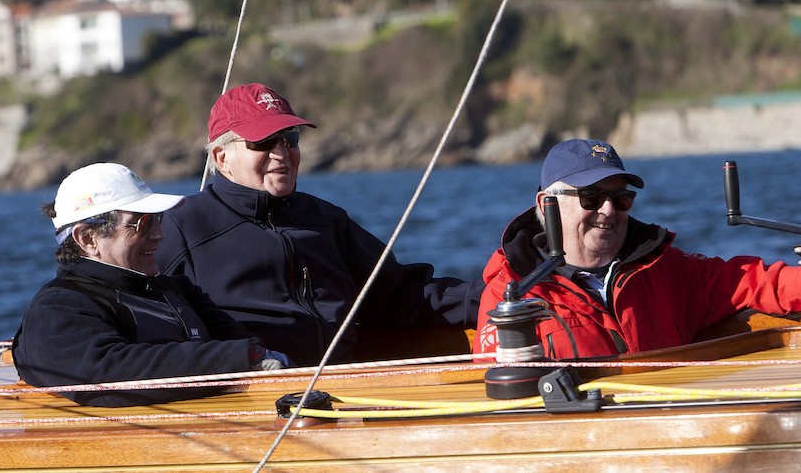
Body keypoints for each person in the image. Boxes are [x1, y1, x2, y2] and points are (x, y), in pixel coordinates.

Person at [155, 83, 484, 365]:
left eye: (289, 138)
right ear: (221, 157)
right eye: (263, 142)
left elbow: (400, 295)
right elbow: (147, 320)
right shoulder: (181, 227)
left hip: (348, 385)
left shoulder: (325, 219)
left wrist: (494, 296)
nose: (282, 153)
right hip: (258, 397)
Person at [474, 138, 801, 361]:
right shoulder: (511, 295)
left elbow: (754, 281)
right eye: (591, 197)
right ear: (547, 205)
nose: (608, 210)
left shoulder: (667, 270)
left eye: (621, 198)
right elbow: (498, 399)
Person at [12, 163, 292, 407]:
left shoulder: (175, 289)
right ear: (88, 239)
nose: (160, 233)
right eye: (143, 223)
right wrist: (241, 357)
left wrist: (251, 354)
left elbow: (240, 342)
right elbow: (106, 372)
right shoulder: (57, 308)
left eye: (158, 219)